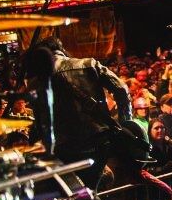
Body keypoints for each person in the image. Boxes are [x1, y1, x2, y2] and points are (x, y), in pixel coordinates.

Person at [21, 38, 135, 189]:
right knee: (87, 190)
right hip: (99, 139)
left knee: (80, 192)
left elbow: (42, 120)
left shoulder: (37, 81)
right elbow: (121, 89)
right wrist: (125, 122)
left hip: (65, 146)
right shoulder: (89, 64)